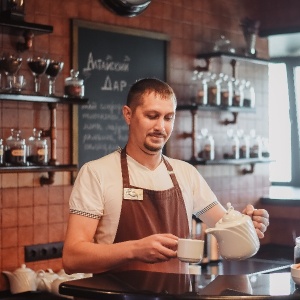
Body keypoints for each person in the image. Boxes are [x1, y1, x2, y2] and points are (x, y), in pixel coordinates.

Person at [62, 78, 269, 275]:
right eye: (152, 116)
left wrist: (247, 225)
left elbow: (228, 232)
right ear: (128, 114)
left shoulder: (186, 174)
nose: (161, 127)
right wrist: (135, 249)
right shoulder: (96, 173)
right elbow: (72, 258)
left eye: (168, 118)